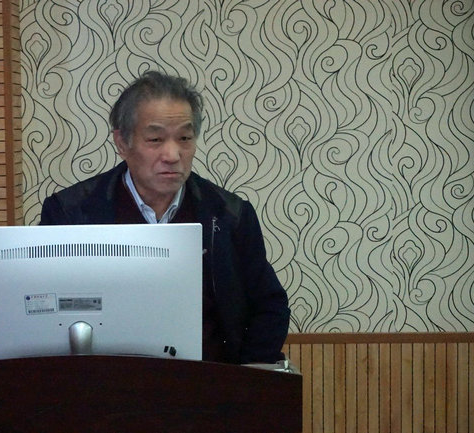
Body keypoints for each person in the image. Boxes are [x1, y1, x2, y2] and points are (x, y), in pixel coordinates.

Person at [39, 70, 290, 364]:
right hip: (105, 381)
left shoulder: (229, 215)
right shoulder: (70, 213)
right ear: (122, 143)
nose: (172, 155)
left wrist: (242, 378)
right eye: (155, 139)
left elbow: (270, 306)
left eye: (184, 138)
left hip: (208, 381)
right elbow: (46, 310)